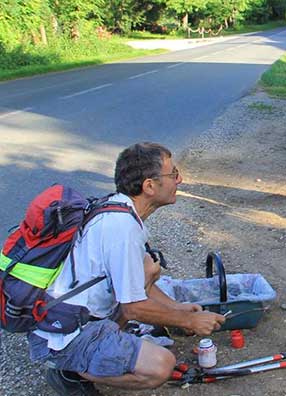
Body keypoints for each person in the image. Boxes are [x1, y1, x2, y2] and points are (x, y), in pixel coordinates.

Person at [28, 142, 226, 394]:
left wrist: (176, 308)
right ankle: (69, 371)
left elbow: (135, 284)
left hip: (73, 315)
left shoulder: (119, 209)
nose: (180, 179)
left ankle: (94, 349)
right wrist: (189, 320)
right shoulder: (122, 229)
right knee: (161, 366)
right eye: (173, 174)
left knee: (148, 267)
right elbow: (133, 308)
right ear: (149, 186)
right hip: (67, 333)